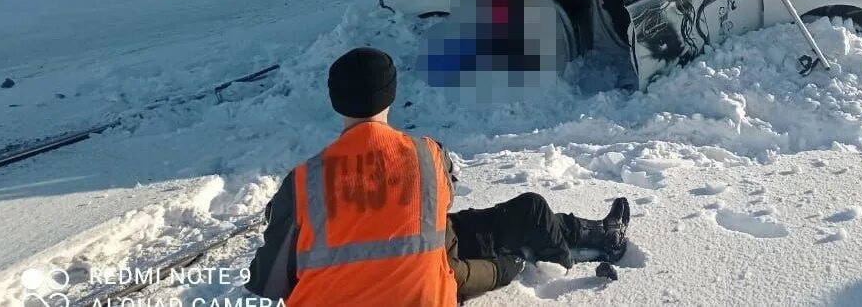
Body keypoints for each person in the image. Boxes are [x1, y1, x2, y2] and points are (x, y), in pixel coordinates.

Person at [245, 47, 631, 305]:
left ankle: (587, 233)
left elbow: (268, 281)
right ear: (390, 95)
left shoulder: (302, 183)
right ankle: (578, 246)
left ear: (335, 101)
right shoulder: (427, 156)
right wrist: (503, 269)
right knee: (511, 220)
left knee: (522, 213)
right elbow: (444, 246)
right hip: (429, 289)